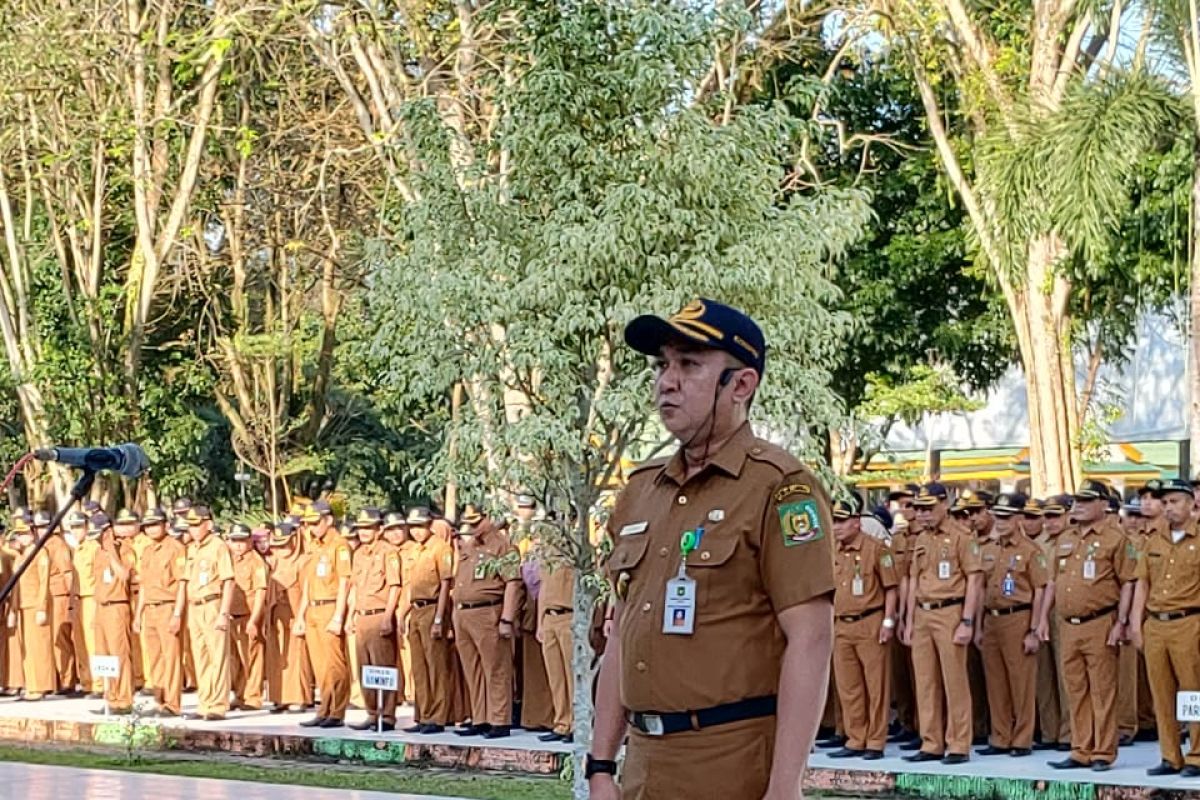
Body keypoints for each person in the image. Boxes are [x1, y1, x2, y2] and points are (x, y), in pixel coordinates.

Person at [588, 298, 835, 800]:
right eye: (662, 365)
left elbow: (810, 639)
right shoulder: (641, 491)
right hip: (643, 766)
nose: (666, 381)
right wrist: (599, 766)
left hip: (731, 766)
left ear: (741, 385)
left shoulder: (780, 488)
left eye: (690, 365)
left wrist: (785, 787)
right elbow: (621, 632)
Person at [1047, 479, 1135, 772]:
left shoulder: (1115, 538)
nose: (1079, 506)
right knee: (1075, 688)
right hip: (1068, 624)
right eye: (1077, 501)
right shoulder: (1065, 537)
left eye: (1086, 501)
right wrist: (1042, 622)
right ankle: (1080, 748)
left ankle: (1103, 751)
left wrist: (1121, 622)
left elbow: (1127, 584)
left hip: (1100, 620)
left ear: (1103, 505)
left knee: (1102, 689)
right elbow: (1053, 582)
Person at [900, 482, 983, 765]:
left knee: (954, 681)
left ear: (944, 505)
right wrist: (909, 620)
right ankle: (931, 742)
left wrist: (967, 621)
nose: (923, 514)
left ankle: (959, 743)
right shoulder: (921, 539)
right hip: (923, 612)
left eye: (929, 508)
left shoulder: (961, 536)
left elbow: (974, 579)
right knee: (925, 681)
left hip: (950, 611)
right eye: (919, 509)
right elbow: (913, 580)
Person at [1128, 478, 1200, 776]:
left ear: (1190, 503)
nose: (1168, 508)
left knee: (1193, 694)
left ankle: (1196, 755)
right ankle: (1170, 756)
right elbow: (1142, 582)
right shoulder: (1154, 539)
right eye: (1165, 502)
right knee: (1161, 694)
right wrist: (1135, 622)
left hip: (1189, 622)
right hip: (1156, 625)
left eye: (1174, 501)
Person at [974, 493, 1048, 757]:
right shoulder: (990, 549)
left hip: (1019, 617)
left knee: (1021, 683)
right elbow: (981, 587)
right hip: (992, 618)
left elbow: (1041, 590)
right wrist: (979, 626)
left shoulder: (1030, 551)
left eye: (1007, 517)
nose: (1001, 522)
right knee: (995, 682)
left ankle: (1022, 739)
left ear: (1018, 518)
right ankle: (1000, 736)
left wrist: (1034, 629)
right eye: (998, 516)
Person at [827, 497, 898, 760]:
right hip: (841, 624)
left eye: (842, 521)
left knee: (876, 686)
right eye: (833, 521)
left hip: (870, 621)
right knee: (849, 686)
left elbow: (891, 588)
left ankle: (875, 741)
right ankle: (855, 738)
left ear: (857, 522)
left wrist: (888, 622)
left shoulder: (876, 549)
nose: (836, 527)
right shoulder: (832, 550)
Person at [452, 504, 521, 739]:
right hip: (463, 613)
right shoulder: (469, 546)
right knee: (473, 669)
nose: (472, 528)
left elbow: (513, 582)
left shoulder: (503, 546)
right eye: (469, 523)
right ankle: (480, 717)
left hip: (487, 612)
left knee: (496, 668)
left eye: (476, 522)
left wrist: (507, 618)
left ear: (490, 518)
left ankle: (499, 720)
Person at [398, 508, 455, 734]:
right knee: (419, 667)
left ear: (429, 525)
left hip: (433, 607)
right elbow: (408, 586)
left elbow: (445, 585)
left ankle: (438, 717)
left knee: (436, 665)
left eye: (420, 526)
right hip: (416, 609)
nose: (416, 531)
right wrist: (402, 614)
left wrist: (440, 618)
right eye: (412, 527)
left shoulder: (440, 548)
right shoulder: (413, 550)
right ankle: (423, 714)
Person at [295, 500, 351, 728]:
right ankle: (323, 708)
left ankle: (336, 711)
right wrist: (301, 615)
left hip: (330, 606)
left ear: (328, 520)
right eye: (308, 524)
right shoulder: (314, 547)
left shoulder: (340, 546)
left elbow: (345, 582)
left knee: (334, 664)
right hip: (313, 609)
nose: (311, 528)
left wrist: (338, 615)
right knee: (319, 665)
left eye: (316, 523)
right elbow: (308, 583)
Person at [347, 509, 402, 731]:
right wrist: (350, 615)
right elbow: (355, 587)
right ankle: (372, 712)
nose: (364, 532)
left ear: (378, 529)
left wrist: (388, 616)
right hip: (361, 615)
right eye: (361, 528)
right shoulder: (358, 554)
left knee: (384, 667)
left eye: (368, 528)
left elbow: (394, 586)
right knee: (364, 667)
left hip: (380, 614)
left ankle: (387, 715)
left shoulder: (388, 552)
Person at [182, 505, 235, 721]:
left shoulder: (218, 546)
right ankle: (204, 703)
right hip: (195, 606)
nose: (193, 530)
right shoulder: (192, 549)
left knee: (217, 656)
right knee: (200, 656)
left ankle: (218, 705)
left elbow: (228, 580)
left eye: (197, 525)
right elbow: (186, 581)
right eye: (191, 526)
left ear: (208, 524)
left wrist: (224, 612)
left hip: (213, 604)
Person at [132, 507, 186, 717]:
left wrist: (177, 614)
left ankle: (172, 703)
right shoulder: (146, 551)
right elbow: (144, 585)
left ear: (166, 525)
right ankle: (159, 699)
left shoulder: (175, 548)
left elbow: (182, 582)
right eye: (148, 525)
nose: (152, 529)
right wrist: (138, 614)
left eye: (156, 524)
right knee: (154, 657)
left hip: (168, 605)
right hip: (150, 609)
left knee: (171, 656)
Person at [532, 507, 577, 744]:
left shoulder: (575, 552)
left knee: (572, 674)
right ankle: (561, 723)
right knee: (555, 676)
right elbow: (542, 591)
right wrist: (540, 621)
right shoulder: (546, 555)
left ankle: (577, 724)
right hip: (549, 617)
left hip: (568, 616)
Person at [1034, 495, 1073, 752]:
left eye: (1055, 516)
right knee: (1043, 675)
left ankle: (1069, 733)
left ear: (1068, 515)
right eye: (1046, 516)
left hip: (1065, 610)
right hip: (1041, 611)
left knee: (1066, 675)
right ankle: (1049, 731)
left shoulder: (1074, 541)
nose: (1050, 522)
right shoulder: (1038, 543)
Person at [265, 522, 313, 713]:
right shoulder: (274, 562)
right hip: (276, 615)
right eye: (277, 544)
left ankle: (298, 697)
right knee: (277, 656)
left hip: (295, 614)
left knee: (297, 656)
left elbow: (307, 592)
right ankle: (280, 696)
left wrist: (301, 617)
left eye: (285, 544)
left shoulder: (303, 561)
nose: (281, 549)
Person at [888, 484, 922, 747]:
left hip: (924, 610)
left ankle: (925, 726)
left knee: (922, 675)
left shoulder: (927, 537)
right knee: (901, 674)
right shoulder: (898, 539)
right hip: (900, 610)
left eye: (910, 504)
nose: (905, 510)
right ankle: (906, 722)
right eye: (901, 505)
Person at [90, 513, 135, 714]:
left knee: (120, 655)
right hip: (101, 606)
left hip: (117, 605)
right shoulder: (97, 552)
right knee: (104, 655)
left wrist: (112, 553)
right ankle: (110, 697)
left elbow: (124, 575)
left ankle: (123, 700)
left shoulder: (124, 549)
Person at [33, 510, 75, 694]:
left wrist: (71, 601)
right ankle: (57, 678)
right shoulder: (42, 545)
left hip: (59, 596)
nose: (41, 530)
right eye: (39, 527)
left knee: (61, 640)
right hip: (48, 597)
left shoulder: (57, 545)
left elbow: (67, 574)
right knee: (52, 641)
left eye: (44, 526)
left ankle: (67, 680)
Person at [12, 516, 54, 701]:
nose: (22, 538)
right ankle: (31, 684)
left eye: (25, 534)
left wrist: (42, 607)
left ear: (32, 533)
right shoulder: (20, 556)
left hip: (35, 604)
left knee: (39, 646)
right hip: (22, 605)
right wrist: (12, 610)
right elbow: (15, 585)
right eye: (19, 535)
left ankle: (41, 686)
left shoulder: (40, 552)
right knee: (27, 648)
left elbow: (44, 582)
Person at [228, 523, 268, 711]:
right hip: (231, 616)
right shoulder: (228, 560)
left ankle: (253, 697)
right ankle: (240, 694)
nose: (238, 545)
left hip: (249, 615)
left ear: (249, 541)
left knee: (252, 657)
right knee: (236, 659)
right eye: (234, 541)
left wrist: (254, 620)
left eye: (242, 541)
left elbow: (261, 592)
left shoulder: (256, 561)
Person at [68, 510, 100, 698]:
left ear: (87, 528)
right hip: (78, 599)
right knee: (80, 642)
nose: (76, 531)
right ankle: (87, 682)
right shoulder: (76, 550)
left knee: (93, 642)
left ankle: (98, 684)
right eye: (73, 528)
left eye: (79, 527)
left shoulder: (93, 547)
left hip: (91, 598)